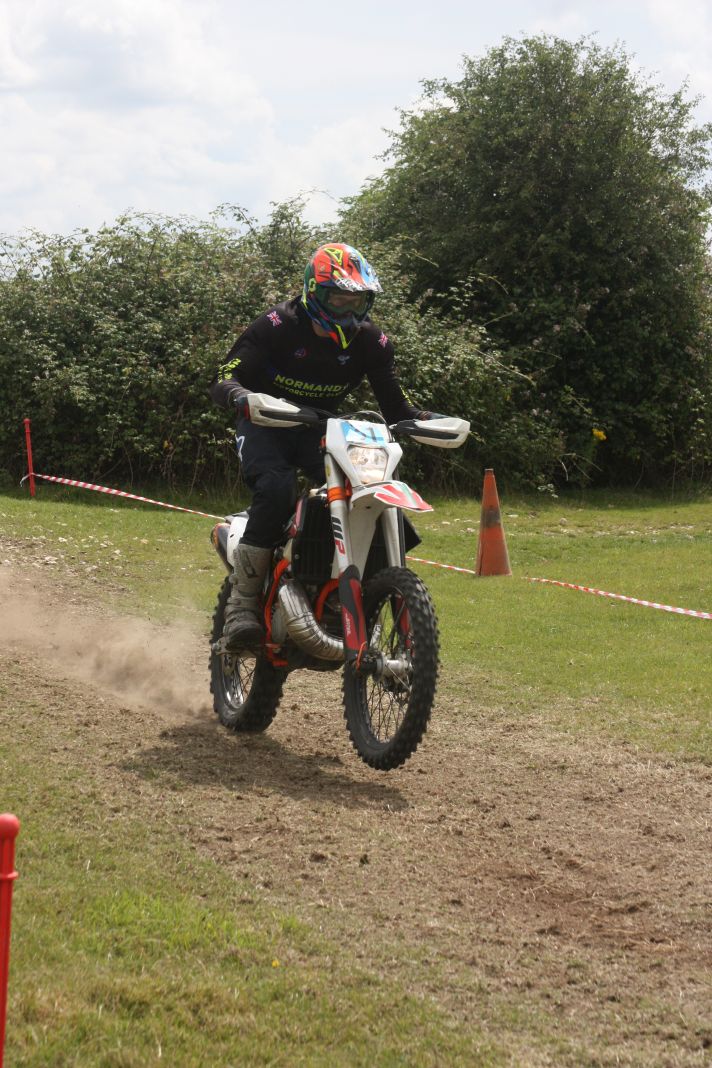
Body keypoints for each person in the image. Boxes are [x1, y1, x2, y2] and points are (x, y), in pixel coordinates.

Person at [210, 242, 438, 650]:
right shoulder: (276, 325)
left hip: (322, 430)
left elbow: (396, 408)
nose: (348, 311)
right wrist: (242, 397)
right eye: (338, 299)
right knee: (276, 488)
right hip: (264, 424)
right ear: (314, 293)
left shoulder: (372, 342)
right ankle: (241, 605)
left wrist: (429, 419)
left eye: (357, 301)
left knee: (370, 495)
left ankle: (354, 593)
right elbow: (224, 378)